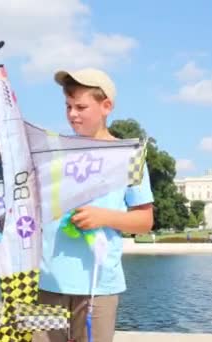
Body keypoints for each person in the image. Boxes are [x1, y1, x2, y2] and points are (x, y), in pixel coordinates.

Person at [34, 68, 154, 342]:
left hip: (98, 286)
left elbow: (145, 222)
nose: (72, 114)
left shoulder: (130, 155)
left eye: (81, 107)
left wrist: (104, 217)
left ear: (106, 106)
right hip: (48, 280)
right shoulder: (54, 153)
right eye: (68, 106)